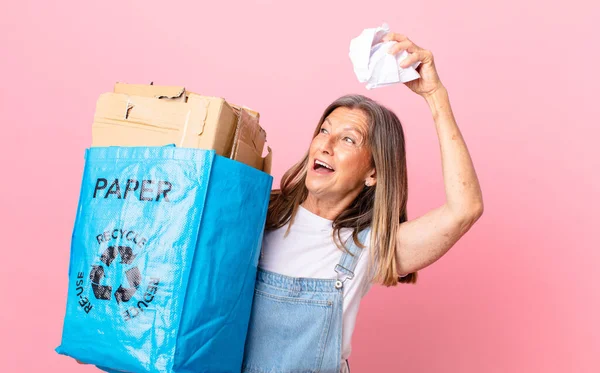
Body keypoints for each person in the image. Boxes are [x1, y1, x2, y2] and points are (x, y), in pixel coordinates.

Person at [240, 32, 484, 373]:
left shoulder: (370, 246)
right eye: (324, 130)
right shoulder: (257, 212)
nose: (326, 145)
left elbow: (465, 210)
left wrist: (435, 96)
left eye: (348, 139)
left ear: (373, 172)